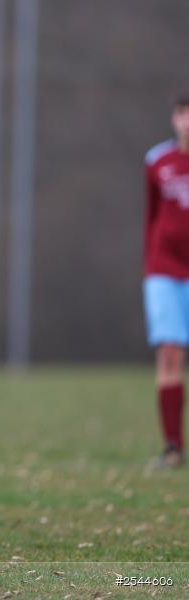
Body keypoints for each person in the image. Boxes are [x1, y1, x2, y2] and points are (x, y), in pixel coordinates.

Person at [143, 91, 189, 468]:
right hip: (164, 271)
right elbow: (153, 217)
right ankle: (173, 447)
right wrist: (151, 266)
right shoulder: (158, 162)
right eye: (182, 113)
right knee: (170, 353)